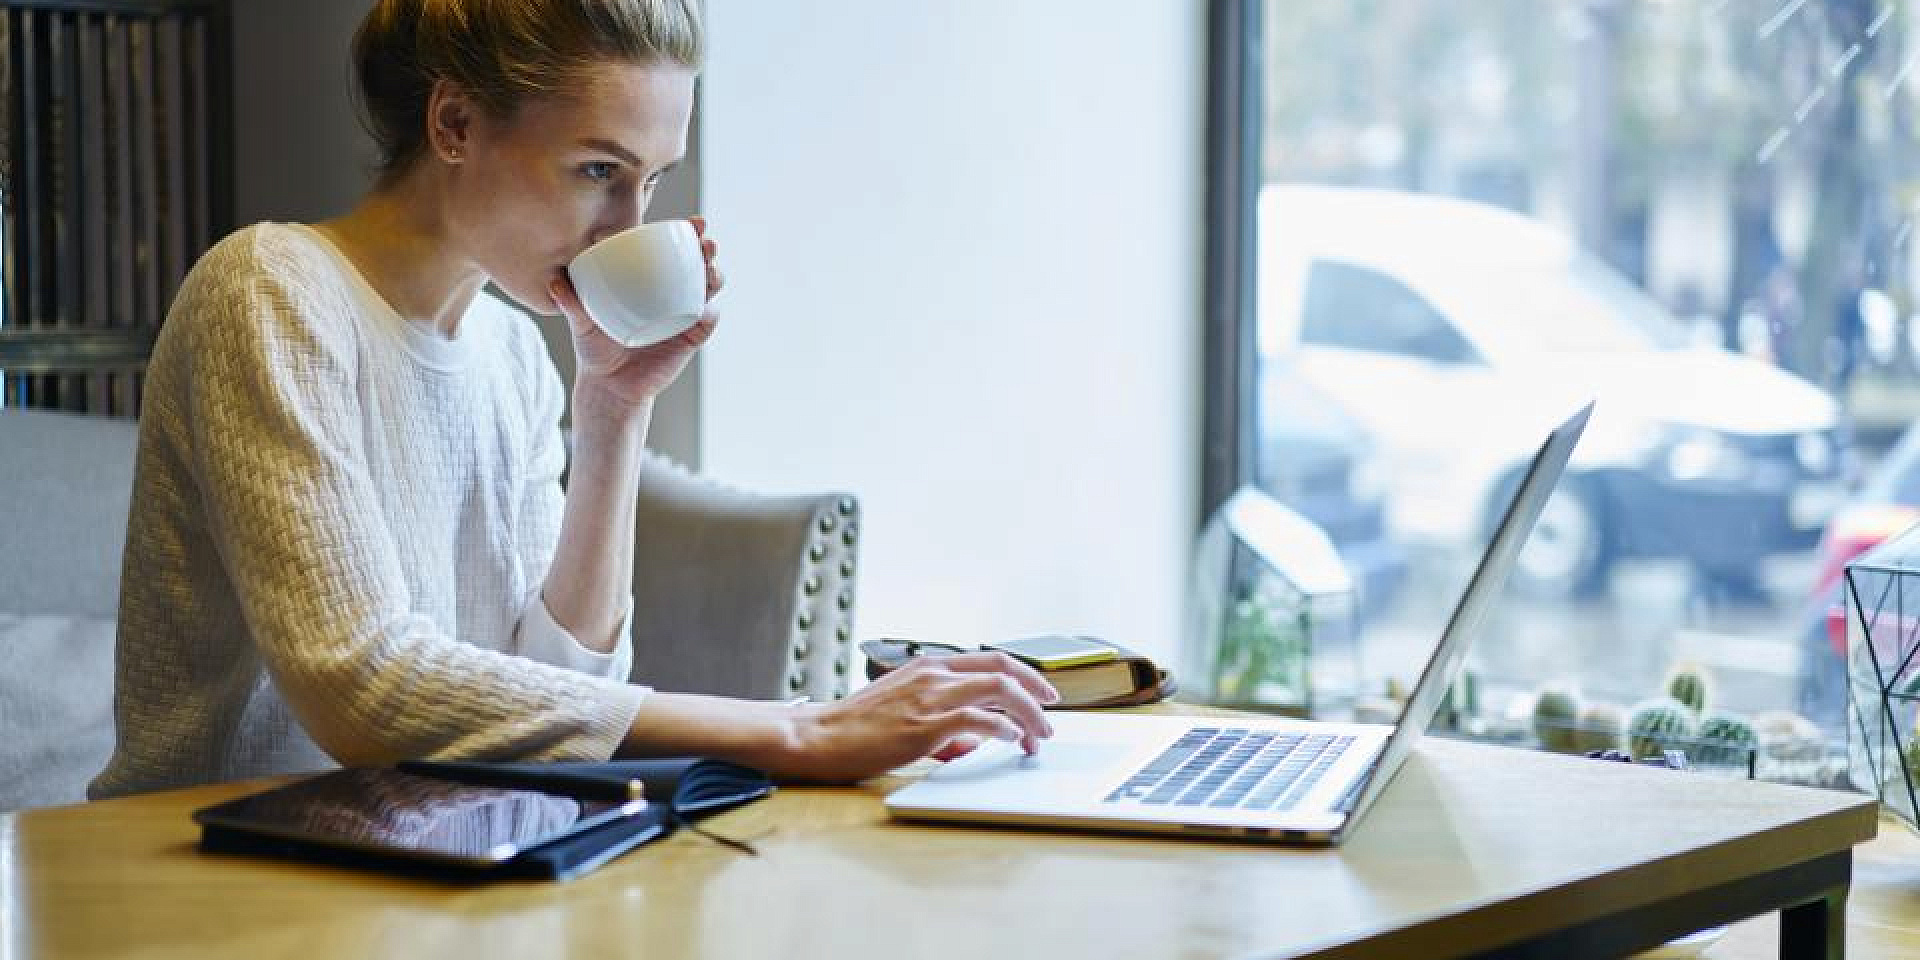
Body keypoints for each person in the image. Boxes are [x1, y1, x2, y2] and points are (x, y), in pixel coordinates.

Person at [89, 0, 1054, 799]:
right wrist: (795, 729)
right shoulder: (268, 291)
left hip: (427, 863)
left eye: (653, 181)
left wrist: (612, 414)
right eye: (600, 171)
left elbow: (557, 699)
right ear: (455, 124)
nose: (627, 226)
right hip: (199, 876)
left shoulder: (511, 351)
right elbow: (362, 692)